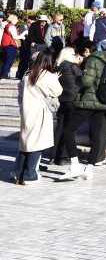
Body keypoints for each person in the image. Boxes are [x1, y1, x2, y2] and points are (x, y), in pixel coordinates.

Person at [58, 44, 106, 180]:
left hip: (88, 101)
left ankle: (75, 164)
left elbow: (87, 82)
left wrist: (76, 79)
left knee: (67, 130)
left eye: (80, 54)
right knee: (95, 135)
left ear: (87, 50)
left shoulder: (92, 60)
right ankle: (89, 168)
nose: (80, 58)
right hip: (102, 101)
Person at [14, 50, 62, 185]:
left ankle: (20, 175)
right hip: (40, 112)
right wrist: (55, 79)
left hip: (27, 111)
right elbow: (58, 90)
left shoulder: (27, 74)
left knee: (25, 145)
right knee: (37, 144)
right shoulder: (46, 75)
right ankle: (29, 175)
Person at [51, 47, 82, 166]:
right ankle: (65, 156)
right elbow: (82, 80)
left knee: (59, 128)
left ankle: (53, 156)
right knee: (70, 129)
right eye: (74, 54)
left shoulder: (57, 67)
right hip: (73, 99)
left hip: (61, 99)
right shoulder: (73, 66)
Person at [1, 14, 25, 79]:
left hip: (5, 45)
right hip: (10, 45)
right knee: (10, 60)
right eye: (16, 19)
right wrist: (22, 36)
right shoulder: (11, 26)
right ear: (13, 19)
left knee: (5, 60)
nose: (17, 21)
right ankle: (4, 75)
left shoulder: (8, 25)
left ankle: (2, 74)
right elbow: (15, 36)